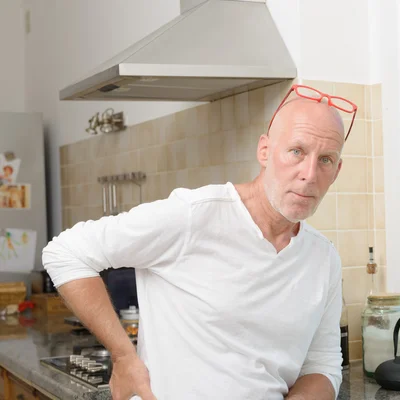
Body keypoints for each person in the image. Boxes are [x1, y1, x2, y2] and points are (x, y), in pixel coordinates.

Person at [42, 84, 358, 400]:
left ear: (338, 170)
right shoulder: (194, 216)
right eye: (297, 151)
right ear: (264, 151)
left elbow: (322, 362)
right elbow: (66, 252)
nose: (309, 173)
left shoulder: (323, 258)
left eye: (326, 160)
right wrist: (123, 355)